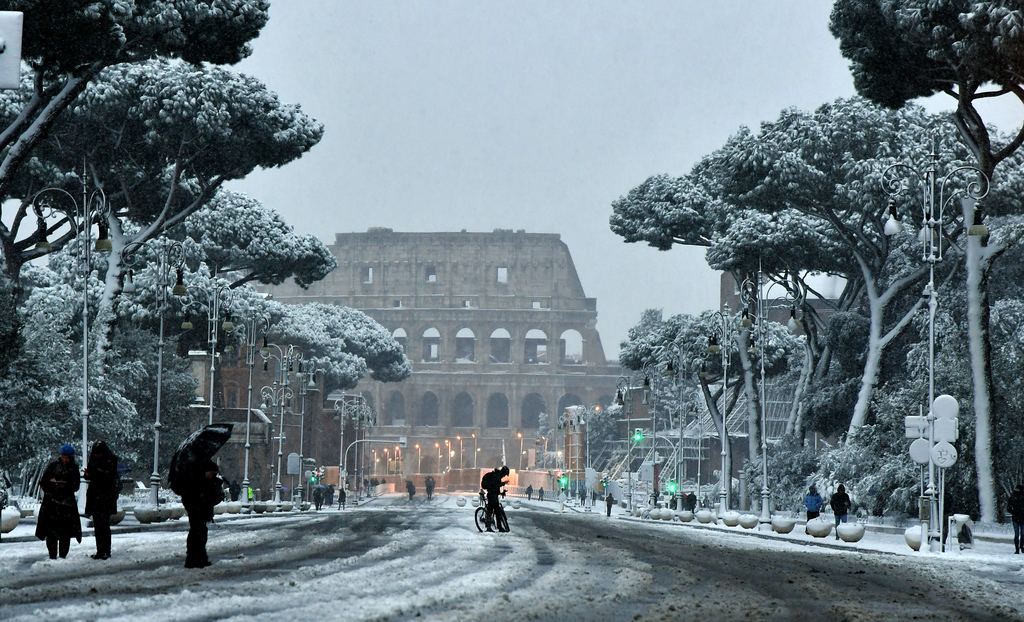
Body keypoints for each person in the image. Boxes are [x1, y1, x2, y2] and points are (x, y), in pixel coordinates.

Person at [36, 444, 82, 560]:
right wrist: (51, 484)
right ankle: (52, 554)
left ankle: (62, 555)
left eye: (67, 457)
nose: (65, 459)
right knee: (51, 532)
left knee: (64, 533)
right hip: (52, 504)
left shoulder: (73, 468)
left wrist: (65, 485)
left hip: (66, 505)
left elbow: (75, 486)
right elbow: (43, 482)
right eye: (64, 457)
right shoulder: (53, 466)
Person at [177, 458, 224, 568]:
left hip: (202, 510)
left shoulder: (208, 482)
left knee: (201, 533)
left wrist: (216, 486)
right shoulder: (195, 481)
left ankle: (199, 558)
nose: (212, 475)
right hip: (196, 510)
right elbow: (190, 497)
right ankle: (194, 558)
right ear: (205, 471)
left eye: (214, 473)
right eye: (211, 473)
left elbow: (214, 498)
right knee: (197, 533)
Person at [84, 441, 119, 560]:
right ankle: (100, 550)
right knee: (98, 526)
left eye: (99, 454)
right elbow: (92, 475)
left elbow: (109, 476)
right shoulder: (93, 459)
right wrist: (88, 474)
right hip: (95, 495)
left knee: (104, 525)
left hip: (106, 496)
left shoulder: (111, 460)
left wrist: (95, 473)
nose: (97, 456)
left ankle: (106, 551)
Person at [479, 466, 509, 531]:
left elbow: (495, 485)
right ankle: (498, 527)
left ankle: (489, 526)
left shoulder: (496, 475)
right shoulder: (497, 476)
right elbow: (496, 486)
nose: (504, 476)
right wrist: (502, 488)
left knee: (490, 511)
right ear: (503, 473)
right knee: (496, 511)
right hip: (492, 496)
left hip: (492, 495)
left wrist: (500, 491)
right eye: (505, 475)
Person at [1009, 484, 1024, 554]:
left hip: (1019, 517)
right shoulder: (1013, 497)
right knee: (1018, 534)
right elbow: (1009, 507)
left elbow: (1009, 507)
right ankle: (1018, 547)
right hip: (1017, 517)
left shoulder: (1013, 496)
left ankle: (1020, 547)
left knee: (1020, 534)